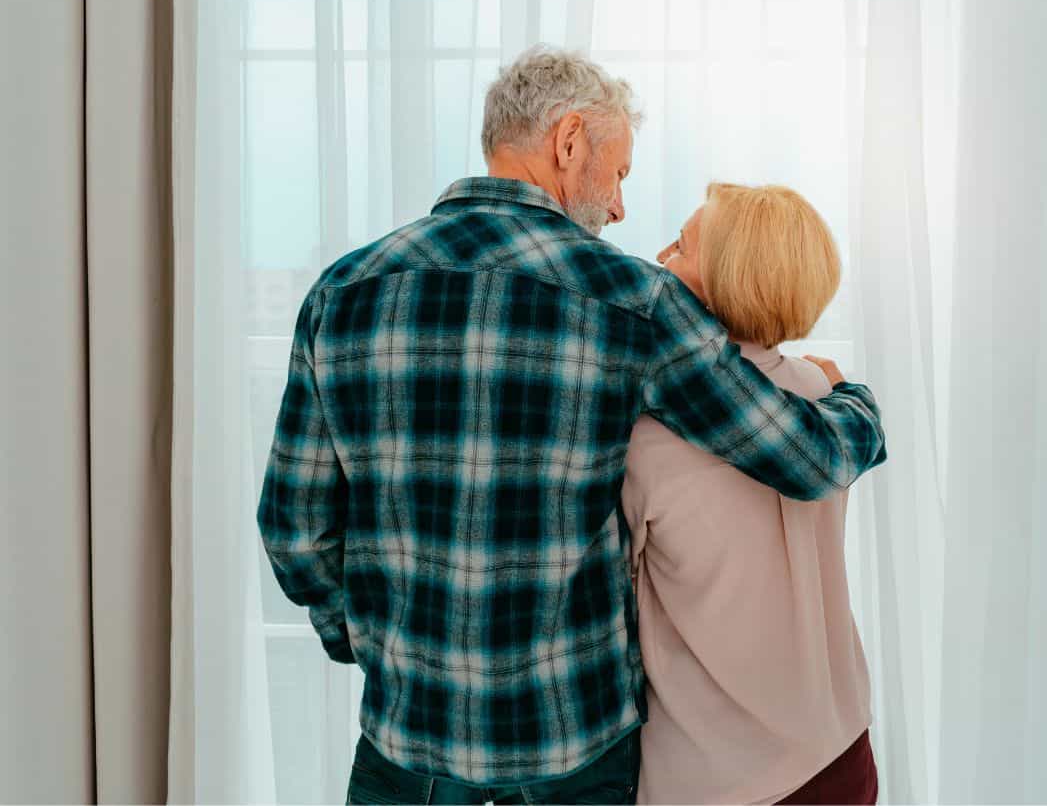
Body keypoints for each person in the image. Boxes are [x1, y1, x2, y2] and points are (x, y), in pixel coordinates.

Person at [256, 45, 886, 806]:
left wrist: (369, 642)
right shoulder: (633, 300)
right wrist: (854, 402)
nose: (620, 207)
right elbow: (806, 458)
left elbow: (293, 527)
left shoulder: (342, 291)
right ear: (567, 142)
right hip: (573, 748)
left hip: (406, 738)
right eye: (618, 172)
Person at [623, 183, 881, 805]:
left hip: (721, 779)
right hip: (843, 753)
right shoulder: (824, 394)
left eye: (681, 246)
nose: (660, 256)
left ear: (723, 280)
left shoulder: (646, 440)